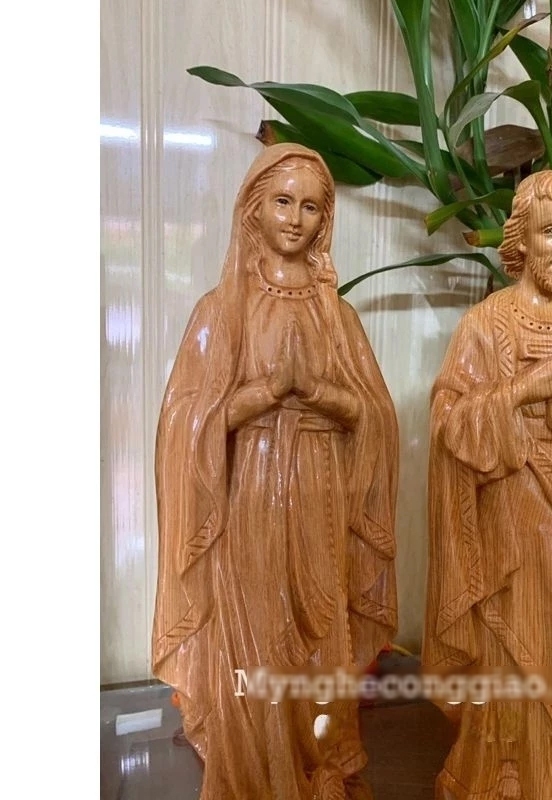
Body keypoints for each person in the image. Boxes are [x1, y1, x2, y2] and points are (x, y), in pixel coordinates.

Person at [151, 143, 398, 800]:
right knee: (258, 633)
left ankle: (317, 763)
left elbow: (375, 416)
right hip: (248, 494)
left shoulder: (337, 317)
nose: (295, 218)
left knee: (319, 629)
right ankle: (256, 769)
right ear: (254, 209)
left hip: (320, 493)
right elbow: (182, 421)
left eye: (311, 206)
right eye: (283, 201)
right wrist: (260, 395)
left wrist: (317, 393)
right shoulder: (220, 310)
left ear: (325, 220)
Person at [423, 171, 552, 800]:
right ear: (522, 242)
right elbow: (449, 419)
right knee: (507, 656)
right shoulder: (486, 325)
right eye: (550, 232)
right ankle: (501, 773)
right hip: (507, 521)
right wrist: (519, 391)